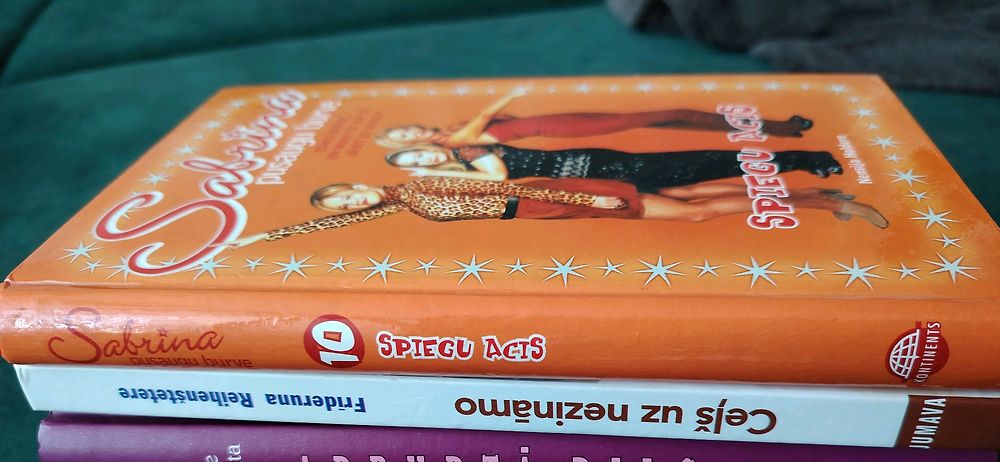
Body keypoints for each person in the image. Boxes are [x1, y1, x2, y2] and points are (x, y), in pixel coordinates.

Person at [226, 177, 887, 249]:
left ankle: (822, 200)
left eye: (346, 195)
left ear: (354, 184)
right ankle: (818, 199)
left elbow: (500, 191)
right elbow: (331, 226)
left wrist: (583, 199)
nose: (353, 204)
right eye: (345, 207)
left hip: (544, 198)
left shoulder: (418, 182)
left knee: (687, 214)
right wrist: (262, 237)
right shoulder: (390, 206)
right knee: (686, 204)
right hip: (540, 216)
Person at [375, 87, 815, 148]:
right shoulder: (449, 143)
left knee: (662, 120)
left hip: (558, 115)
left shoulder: (449, 131)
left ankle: (780, 130)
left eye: (405, 127)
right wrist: (508, 95)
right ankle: (783, 129)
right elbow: (489, 118)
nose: (412, 130)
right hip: (557, 127)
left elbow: (500, 119)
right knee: (671, 113)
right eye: (405, 135)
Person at [385, 143, 844, 191]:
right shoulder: (462, 168)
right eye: (416, 163)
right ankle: (801, 165)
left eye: (418, 155)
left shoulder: (468, 153)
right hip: (595, 177)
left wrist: (443, 173)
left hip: (599, 163)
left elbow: (500, 176)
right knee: (703, 173)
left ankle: (808, 160)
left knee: (701, 165)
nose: (424, 161)